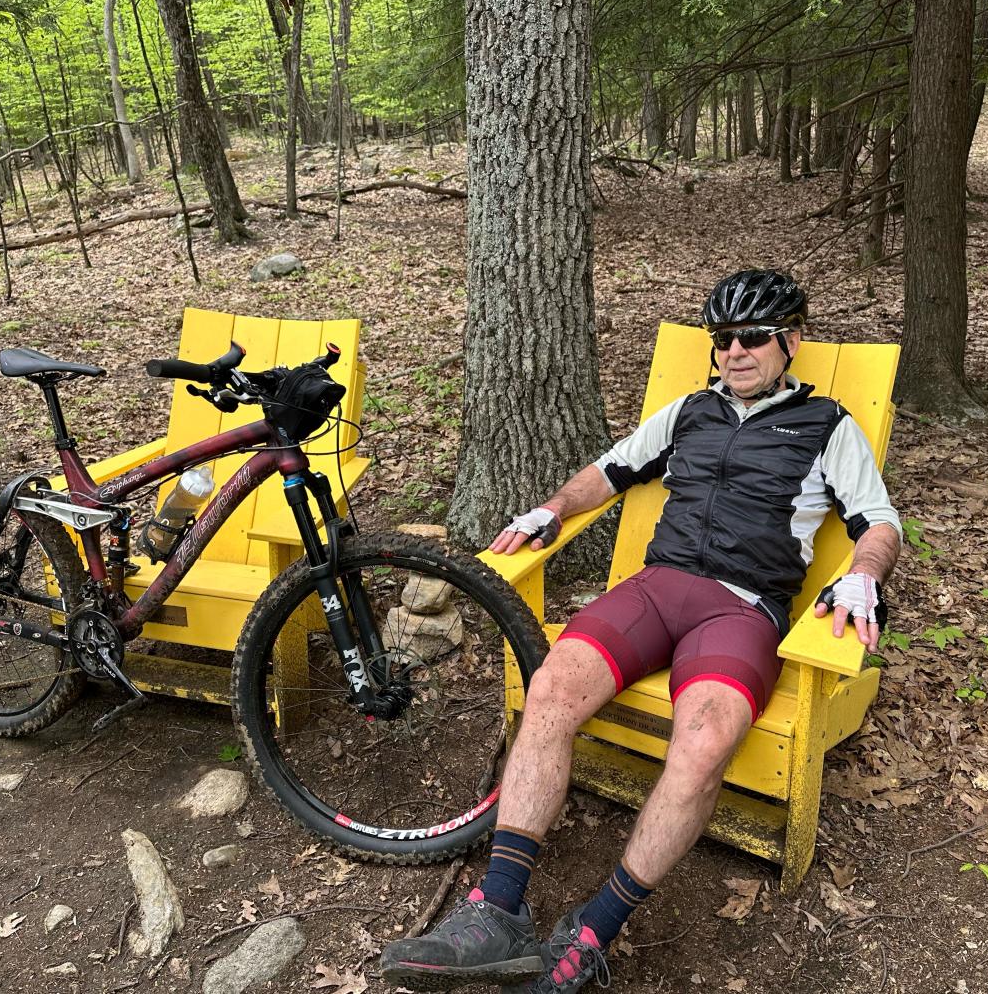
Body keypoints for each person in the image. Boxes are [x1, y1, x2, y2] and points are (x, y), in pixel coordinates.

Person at [380, 269, 902, 994]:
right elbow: (607, 472)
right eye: (724, 340)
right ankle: (496, 912)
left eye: (753, 338)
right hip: (654, 590)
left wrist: (863, 574)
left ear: (792, 340)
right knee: (553, 685)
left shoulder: (827, 426)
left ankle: (595, 926)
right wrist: (550, 510)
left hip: (741, 606)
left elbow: (878, 522)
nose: (736, 352)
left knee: (705, 738)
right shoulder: (691, 411)